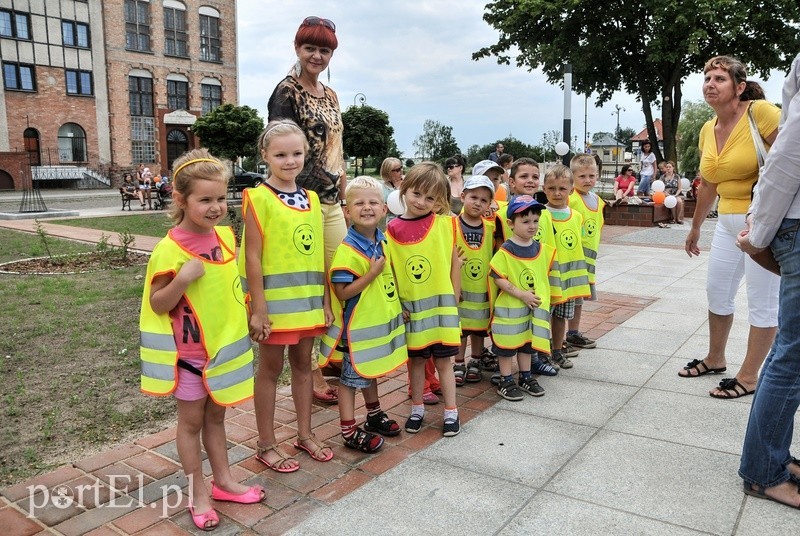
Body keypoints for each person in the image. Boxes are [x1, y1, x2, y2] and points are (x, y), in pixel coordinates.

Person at [139, 149, 265, 531]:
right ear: (181, 200)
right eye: (204, 200)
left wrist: (251, 315)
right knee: (191, 422)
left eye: (220, 198)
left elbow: (229, 290)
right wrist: (181, 279)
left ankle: (224, 482)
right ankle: (198, 493)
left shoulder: (226, 238)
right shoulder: (169, 249)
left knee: (217, 417)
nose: (215, 208)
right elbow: (159, 303)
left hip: (224, 353)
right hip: (191, 357)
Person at [681, 55, 781, 400]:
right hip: (726, 224)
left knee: (762, 302)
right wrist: (694, 227)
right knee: (718, 292)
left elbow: (791, 156)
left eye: (720, 78)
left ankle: (750, 376)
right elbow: (708, 184)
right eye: (707, 78)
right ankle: (715, 358)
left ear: (739, 87)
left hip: (764, 225)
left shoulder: (761, 113)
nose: (711, 83)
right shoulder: (708, 128)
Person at [240, 119, 334, 472]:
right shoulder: (257, 198)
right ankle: (266, 443)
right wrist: (259, 308)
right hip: (275, 309)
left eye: (296, 153)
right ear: (265, 155)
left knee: (303, 367)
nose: (289, 160)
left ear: (305, 153)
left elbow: (319, 255)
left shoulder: (311, 199)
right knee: (269, 369)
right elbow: (252, 255)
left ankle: (305, 434)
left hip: (308, 305)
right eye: (281, 154)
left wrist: (325, 301)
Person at [267, 16, 345, 404]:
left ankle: (331, 353)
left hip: (333, 202)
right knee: (314, 284)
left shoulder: (330, 96)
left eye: (324, 49)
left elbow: (336, 150)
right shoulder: (286, 92)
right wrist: (291, 198)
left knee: (341, 279)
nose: (316, 55)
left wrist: (343, 189)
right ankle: (313, 370)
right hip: (302, 203)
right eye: (310, 47)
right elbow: (282, 148)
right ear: (297, 48)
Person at [737, 52, 800, 510]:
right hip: (795, 225)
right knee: (791, 357)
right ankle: (763, 472)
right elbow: (788, 156)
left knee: (790, 352)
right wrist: (758, 234)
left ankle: (772, 456)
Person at [319, 177, 407, 453]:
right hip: (354, 332)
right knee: (350, 381)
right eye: (359, 203)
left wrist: (398, 304)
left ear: (384, 209)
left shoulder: (381, 241)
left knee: (368, 373)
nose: (367, 208)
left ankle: (373, 414)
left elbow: (387, 279)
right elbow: (343, 292)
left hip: (372, 327)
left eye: (373, 203)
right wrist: (371, 274)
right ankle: (348, 429)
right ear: (347, 211)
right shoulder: (348, 251)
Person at [386, 162, 462, 437]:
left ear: (440, 200)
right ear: (405, 190)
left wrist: (454, 297)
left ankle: (451, 410)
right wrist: (397, 304)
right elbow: (391, 270)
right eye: (417, 194)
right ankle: (417, 407)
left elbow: (455, 263)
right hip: (413, 309)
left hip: (442, 311)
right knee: (416, 363)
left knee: (444, 363)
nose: (422, 202)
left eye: (431, 198)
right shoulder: (392, 229)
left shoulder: (445, 224)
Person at [490, 195, 560, 400]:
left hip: (531, 312)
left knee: (527, 345)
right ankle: (505, 379)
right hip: (510, 313)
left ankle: (526, 376)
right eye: (526, 221)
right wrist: (521, 294)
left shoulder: (539, 248)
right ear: (511, 224)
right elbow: (497, 278)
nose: (532, 226)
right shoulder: (506, 250)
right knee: (506, 347)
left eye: (536, 221)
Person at [541, 164, 591, 370]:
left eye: (562, 188)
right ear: (544, 188)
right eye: (551, 188)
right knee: (544, 316)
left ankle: (558, 350)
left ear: (571, 189)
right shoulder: (541, 214)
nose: (557, 193)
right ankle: (542, 353)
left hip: (567, 281)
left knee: (561, 316)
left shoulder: (576, 216)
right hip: (548, 277)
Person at [453, 175, 496, 386]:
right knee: (460, 328)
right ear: (463, 196)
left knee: (479, 328)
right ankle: (458, 362)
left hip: (482, 291)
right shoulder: (451, 225)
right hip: (460, 289)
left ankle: (476, 361)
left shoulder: (490, 228)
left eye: (483, 200)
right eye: (473, 197)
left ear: (489, 205)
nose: (478, 203)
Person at [566, 154, 604, 350]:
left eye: (592, 175)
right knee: (567, 298)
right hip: (572, 260)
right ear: (572, 177)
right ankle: (556, 337)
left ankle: (573, 333)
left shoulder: (598, 201)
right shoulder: (570, 199)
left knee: (580, 298)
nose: (588, 180)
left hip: (588, 264)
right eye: (582, 176)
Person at [379, 157, 403, 227]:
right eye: (397, 170)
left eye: (401, 168)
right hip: (392, 222)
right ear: (388, 172)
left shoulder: (408, 183)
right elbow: (383, 207)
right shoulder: (383, 188)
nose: (401, 171)